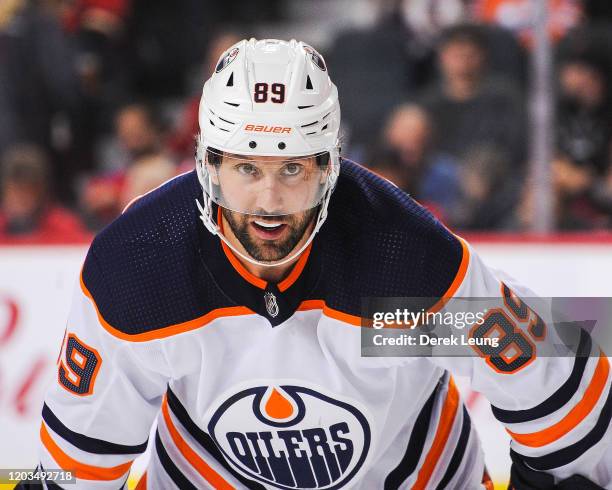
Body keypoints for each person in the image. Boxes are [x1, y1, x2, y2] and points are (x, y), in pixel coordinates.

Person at [27, 39, 611, 489]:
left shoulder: (398, 263)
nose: (270, 204)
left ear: (329, 169)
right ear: (207, 165)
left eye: (293, 170)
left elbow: (559, 371)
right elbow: (77, 460)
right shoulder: (141, 268)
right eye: (247, 169)